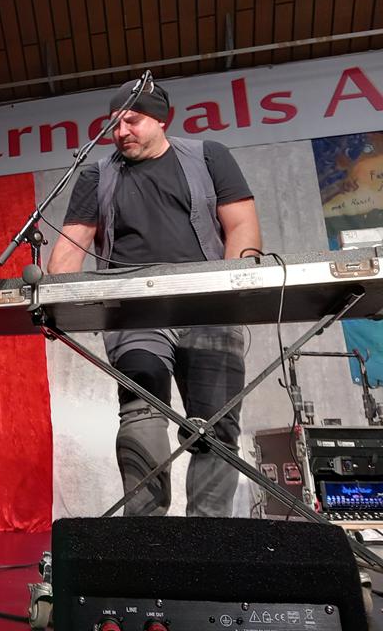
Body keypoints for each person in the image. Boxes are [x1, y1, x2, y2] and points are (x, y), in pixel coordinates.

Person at [46, 79, 261, 518]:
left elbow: (241, 225)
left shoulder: (209, 156)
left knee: (216, 427)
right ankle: (146, 537)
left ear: (163, 120)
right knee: (140, 414)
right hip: (135, 313)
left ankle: (209, 539)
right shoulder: (96, 175)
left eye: (132, 120)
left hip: (209, 308)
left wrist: (230, 288)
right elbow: (72, 245)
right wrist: (53, 298)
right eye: (114, 123)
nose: (121, 131)